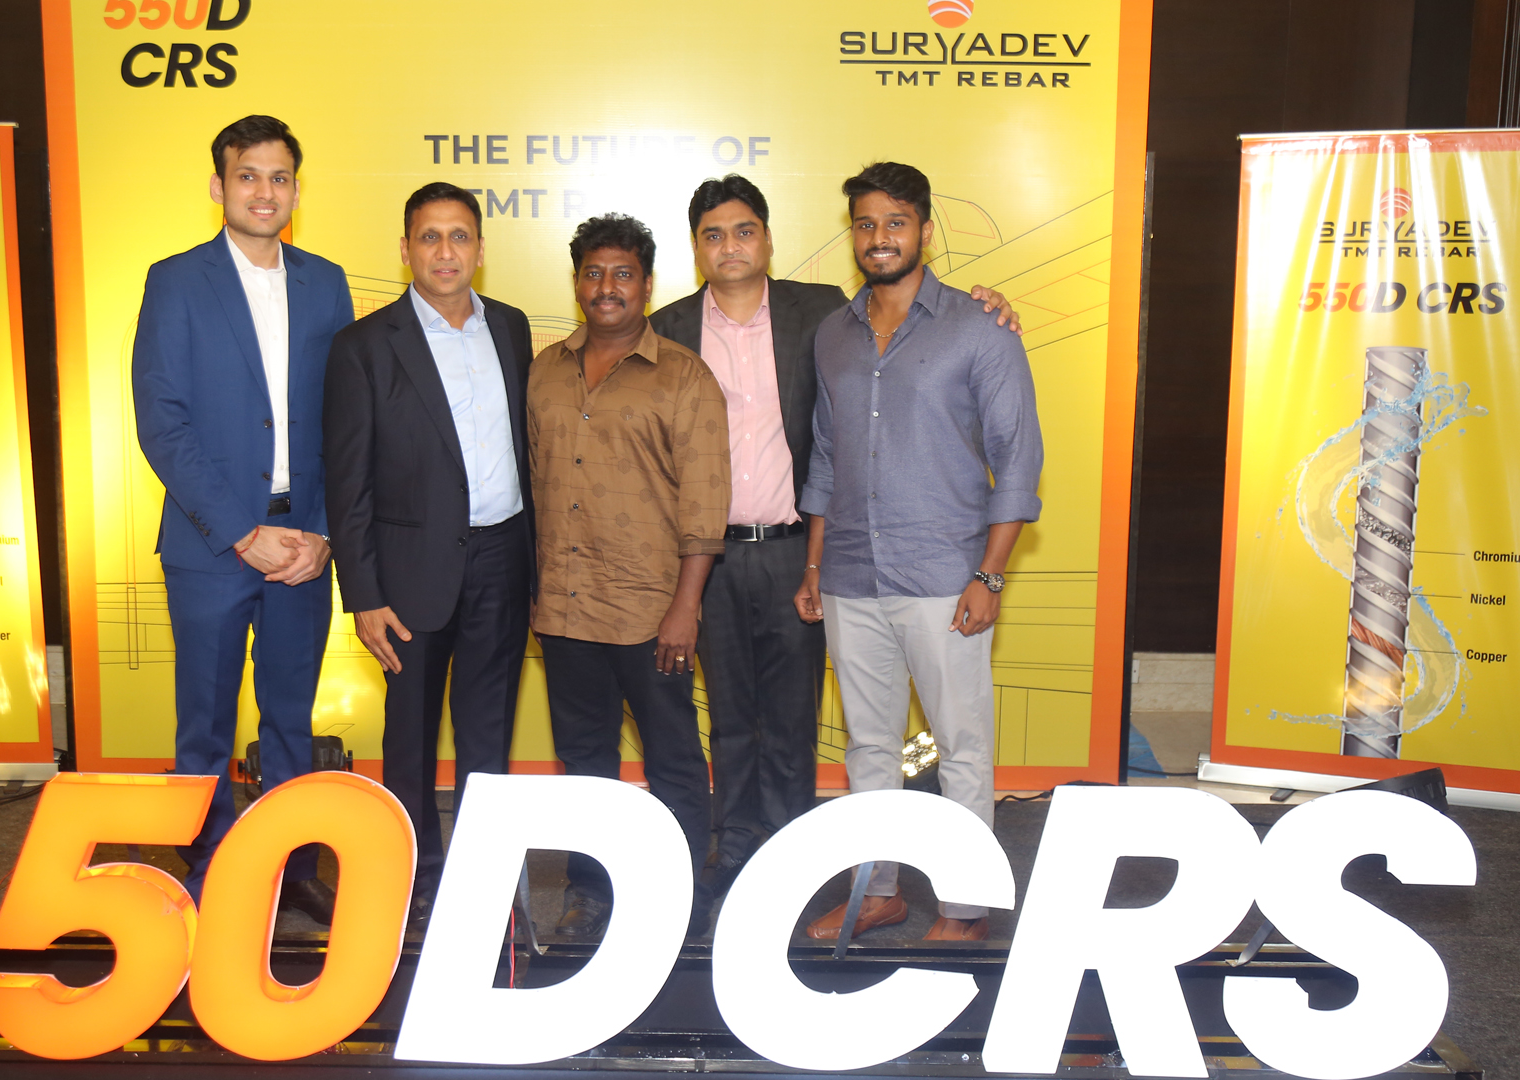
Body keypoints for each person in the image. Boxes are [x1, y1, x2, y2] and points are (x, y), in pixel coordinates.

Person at [650, 176, 1021, 899]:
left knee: (797, 723)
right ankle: (743, 861)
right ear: (696, 247)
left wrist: (990, 303)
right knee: (734, 719)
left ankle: (807, 864)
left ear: (767, 238)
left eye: (745, 231)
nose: (731, 246)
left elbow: (916, 322)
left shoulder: (820, 312)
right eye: (714, 235)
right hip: (715, 557)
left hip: (803, 548)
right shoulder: (667, 329)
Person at [794, 162, 1042, 941]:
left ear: (925, 231)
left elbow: (1019, 461)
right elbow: (826, 457)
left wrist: (989, 575)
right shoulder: (831, 335)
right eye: (865, 224)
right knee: (869, 747)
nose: (880, 238)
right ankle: (879, 891)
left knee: (960, 747)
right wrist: (813, 566)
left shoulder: (979, 328)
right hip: (849, 574)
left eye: (895, 222)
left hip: (944, 576)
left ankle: (966, 906)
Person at [131, 115, 352, 923]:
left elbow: (347, 417)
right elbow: (162, 423)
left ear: (296, 189)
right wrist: (241, 533)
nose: (265, 191)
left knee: (291, 720)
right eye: (248, 175)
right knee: (205, 727)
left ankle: (290, 868)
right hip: (212, 546)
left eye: (279, 177)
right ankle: (214, 869)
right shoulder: (175, 281)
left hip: (304, 543)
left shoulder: (326, 282)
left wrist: (321, 531)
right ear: (219, 186)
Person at [325, 184, 535, 925]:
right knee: (410, 736)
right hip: (408, 573)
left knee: (488, 730)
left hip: (503, 557)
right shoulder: (362, 346)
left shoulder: (510, 327)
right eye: (429, 237)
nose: (445, 251)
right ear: (406, 249)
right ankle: (414, 873)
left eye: (459, 236)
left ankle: (484, 876)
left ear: (479, 248)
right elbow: (347, 481)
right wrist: (363, 594)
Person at [529, 213, 730, 940]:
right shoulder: (544, 370)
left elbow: (706, 506)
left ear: (646, 285)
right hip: (565, 607)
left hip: (651, 611)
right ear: (577, 282)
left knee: (673, 760)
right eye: (594, 273)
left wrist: (685, 608)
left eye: (622, 274)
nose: (606, 287)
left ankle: (681, 890)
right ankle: (591, 893)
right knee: (585, 765)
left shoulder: (683, 375)